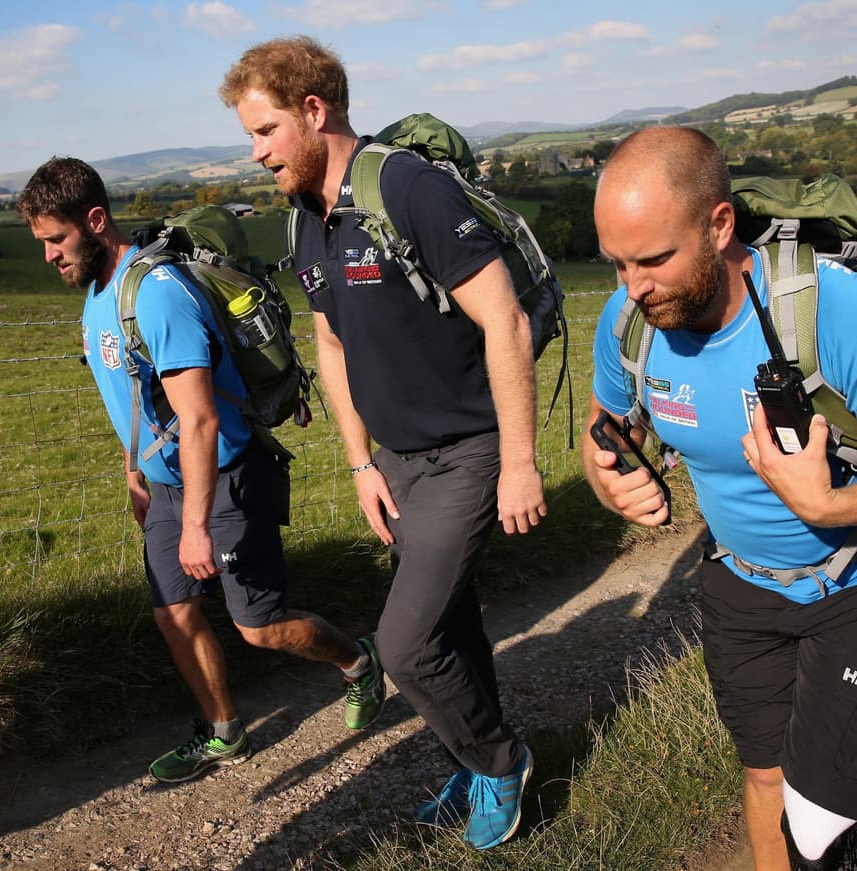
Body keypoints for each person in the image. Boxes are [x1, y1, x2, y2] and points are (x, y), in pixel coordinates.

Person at [583, 127, 857, 870]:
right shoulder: (629, 323)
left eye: (652, 260)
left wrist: (829, 506)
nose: (631, 288)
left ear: (718, 224)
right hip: (741, 585)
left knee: (815, 824)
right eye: (616, 262)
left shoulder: (832, 314)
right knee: (767, 776)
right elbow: (603, 425)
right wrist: (605, 472)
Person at [219, 36, 546, 851]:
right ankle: (475, 760)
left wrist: (518, 461)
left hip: (468, 450)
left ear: (314, 111)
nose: (255, 152)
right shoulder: (305, 220)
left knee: (402, 645)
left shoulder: (408, 188)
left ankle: (502, 759)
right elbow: (331, 346)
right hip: (398, 463)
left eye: (263, 131)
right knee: (451, 622)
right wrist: (361, 462)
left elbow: (503, 319)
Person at [16, 157, 385, 784]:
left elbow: (201, 422)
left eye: (56, 239)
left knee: (259, 627)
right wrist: (135, 472)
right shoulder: (98, 296)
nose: (49, 255)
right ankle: (224, 733)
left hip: (228, 484)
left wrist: (194, 526)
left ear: (96, 220)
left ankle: (358, 662)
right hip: (165, 485)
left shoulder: (155, 293)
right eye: (42, 242)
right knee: (173, 611)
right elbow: (129, 394)